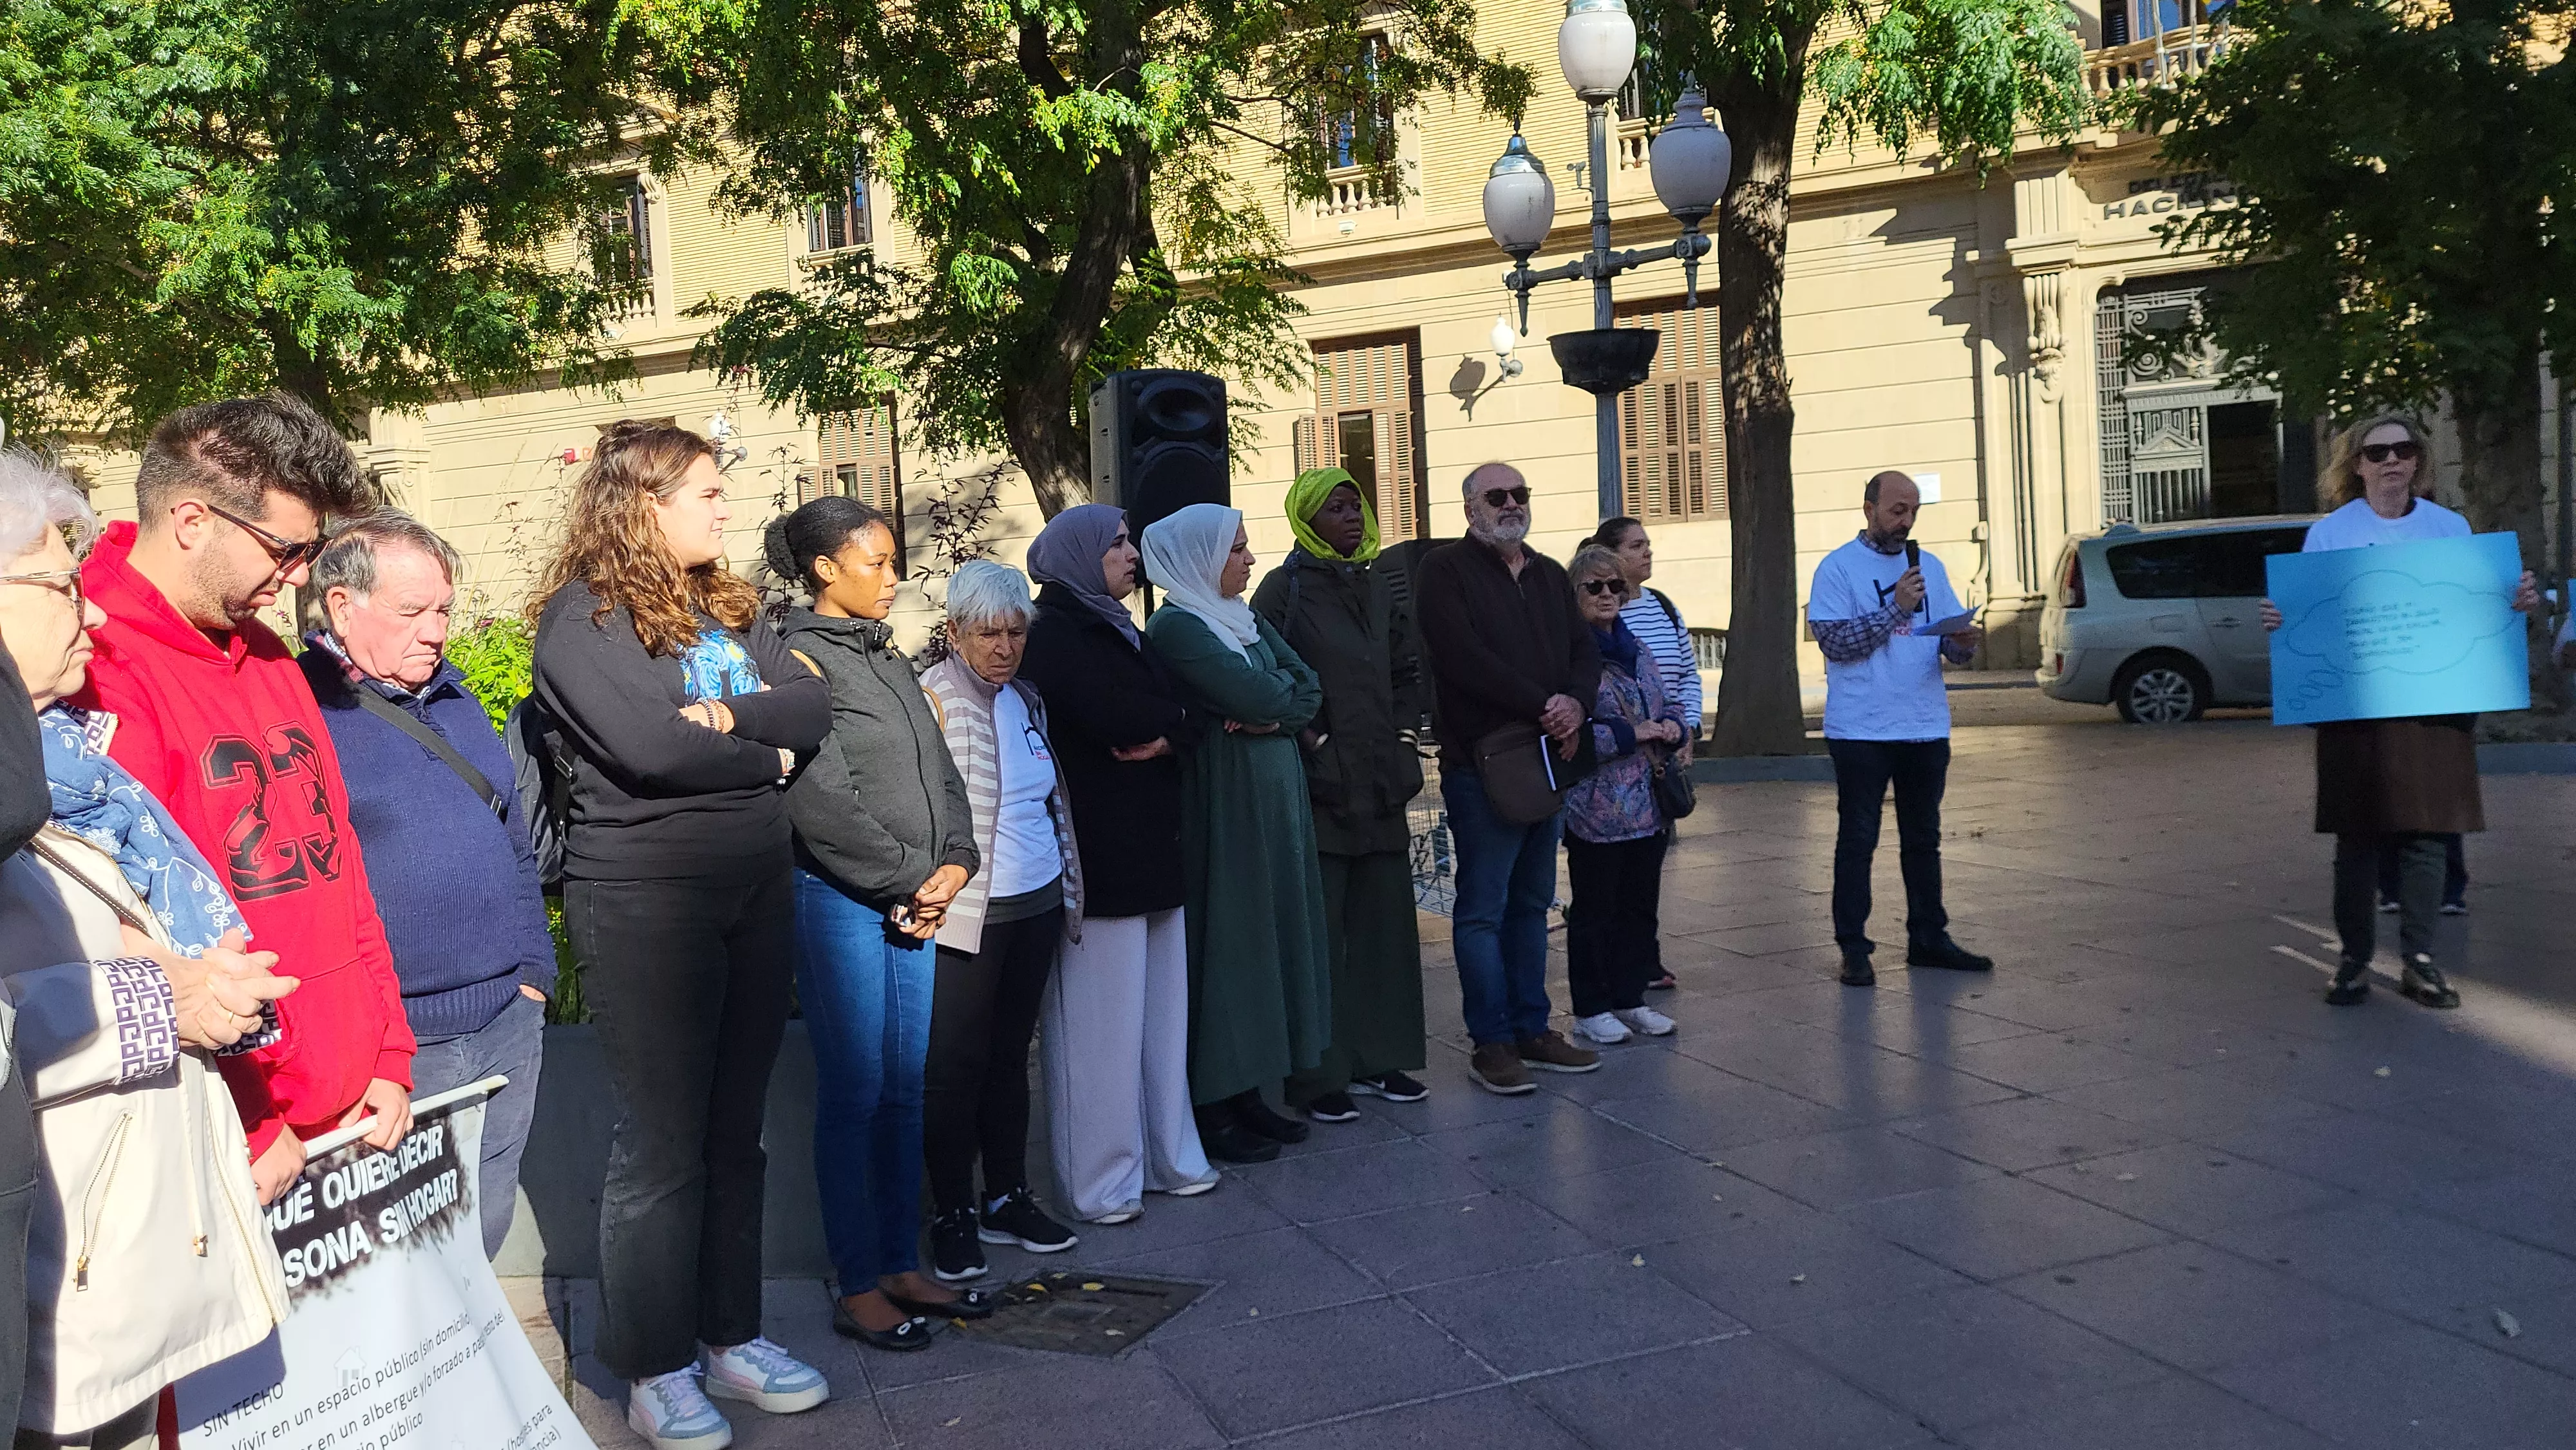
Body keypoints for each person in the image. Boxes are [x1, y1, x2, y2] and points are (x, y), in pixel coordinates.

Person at [530, 421, 833, 1448]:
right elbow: (651, 750)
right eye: (706, 490)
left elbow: (813, 707)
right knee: (660, 1145)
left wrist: (740, 725)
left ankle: (729, 1338)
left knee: (732, 1135)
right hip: (646, 899)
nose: (725, 506)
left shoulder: (724, 607)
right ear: (644, 501)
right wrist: (766, 751)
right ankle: (655, 1366)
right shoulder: (583, 620)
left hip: (753, 882)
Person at [2, 448, 301, 1450]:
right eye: (60, 587)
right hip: (55, 1295)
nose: (88, 616)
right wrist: (161, 1002)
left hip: (113, 1281)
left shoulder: (70, 767)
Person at [71, 394, 417, 1209]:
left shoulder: (264, 650)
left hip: (350, 1109)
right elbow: (136, 929)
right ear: (193, 520)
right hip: (231, 1139)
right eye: (286, 548)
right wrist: (252, 1118)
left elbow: (339, 866)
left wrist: (387, 1051)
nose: (299, 575)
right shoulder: (96, 661)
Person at [298, 512, 554, 1260]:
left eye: (443, 609)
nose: (437, 630)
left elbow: (512, 839)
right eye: (413, 612)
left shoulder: (456, 698)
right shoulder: (302, 710)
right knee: (404, 1251)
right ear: (343, 606)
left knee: (488, 1214)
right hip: (401, 1042)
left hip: (507, 1016)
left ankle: (474, 1363)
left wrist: (535, 972)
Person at [768, 498, 983, 1351]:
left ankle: (900, 1262)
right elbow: (819, 803)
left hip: (915, 897)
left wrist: (955, 860)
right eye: (877, 563)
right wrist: (908, 881)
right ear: (825, 569)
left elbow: (941, 768)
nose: (894, 578)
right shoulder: (796, 661)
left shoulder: (887, 654)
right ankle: (856, 1282)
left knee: (904, 1090)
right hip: (840, 902)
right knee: (856, 1094)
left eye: (895, 563)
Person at [2257, 415, 2543, 1009]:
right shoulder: (2331, 534)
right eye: (2377, 451)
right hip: (2355, 709)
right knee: (2356, 840)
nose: (2392, 460)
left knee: (2427, 837)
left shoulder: (2451, 528)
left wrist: (2514, 603)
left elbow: (2480, 610)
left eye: (2404, 449)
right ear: (2356, 465)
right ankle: (2354, 961)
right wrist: (2282, 622)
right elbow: (2308, 614)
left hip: (2433, 707)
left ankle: (2420, 961)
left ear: (2419, 461)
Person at [1020, 504, 1227, 1208]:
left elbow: (1188, 711)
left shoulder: (1120, 627)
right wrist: (1169, 721)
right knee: (1099, 1032)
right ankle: (1101, 1180)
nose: (1131, 553)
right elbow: (1109, 716)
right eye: (1116, 543)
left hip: (1153, 847)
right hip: (1101, 858)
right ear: (1080, 555)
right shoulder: (1053, 633)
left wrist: (1169, 732)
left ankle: (1167, 1155)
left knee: (1160, 1021)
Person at [1139, 505, 1335, 1147]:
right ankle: (1215, 1101)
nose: (1250, 559)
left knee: (1271, 939)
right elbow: (1268, 696)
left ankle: (1253, 1088)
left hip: (1277, 803)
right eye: (1238, 550)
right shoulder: (1177, 625)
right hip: (1229, 803)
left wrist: (1270, 708)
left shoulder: (1241, 619)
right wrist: (1271, 704)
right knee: (1233, 941)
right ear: (1200, 559)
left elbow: (1307, 686)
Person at [918, 562, 1086, 1281]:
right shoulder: (932, 699)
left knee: (1009, 1054)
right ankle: (952, 1210)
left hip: (1035, 901)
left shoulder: (1027, 698)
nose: (1004, 646)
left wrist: (1068, 886)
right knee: (953, 1064)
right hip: (966, 914)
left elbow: (1050, 799)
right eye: (988, 632)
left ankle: (1008, 1195)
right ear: (955, 631)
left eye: (1016, 632)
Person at [1414, 464, 1602, 1095]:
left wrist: (1575, 701)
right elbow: (1461, 657)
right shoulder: (1444, 572)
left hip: (1547, 760)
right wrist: (1542, 705)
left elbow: (1585, 650)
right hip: (1483, 765)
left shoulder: (1550, 573)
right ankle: (1491, 1041)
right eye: (1497, 496)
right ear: (1470, 507)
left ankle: (1533, 1029)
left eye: (1520, 494)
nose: (1511, 504)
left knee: (1532, 903)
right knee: (1482, 909)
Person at [1250, 468, 1431, 1124]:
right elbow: (1262, 672)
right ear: (1305, 518)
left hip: (1381, 781)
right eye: (1336, 506)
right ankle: (1319, 1073)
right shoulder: (1283, 589)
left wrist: (1407, 742)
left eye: (1356, 504)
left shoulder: (1380, 584)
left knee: (1383, 926)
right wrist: (1315, 743)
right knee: (1320, 932)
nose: (1352, 516)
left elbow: (1407, 669)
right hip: (1319, 787)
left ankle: (1380, 1058)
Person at [1809, 470, 1993, 987]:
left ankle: (1929, 938)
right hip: (1862, 730)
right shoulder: (1838, 568)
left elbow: (1945, 647)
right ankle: (1854, 948)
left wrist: (1963, 642)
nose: (1906, 520)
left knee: (1923, 838)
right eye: (1896, 510)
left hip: (1924, 724)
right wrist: (1897, 608)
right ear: (1869, 508)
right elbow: (1837, 645)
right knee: (1858, 838)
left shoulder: (1928, 565)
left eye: (1913, 510)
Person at [1558, 545, 1685, 1046]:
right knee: (1595, 910)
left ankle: (1631, 998)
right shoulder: (1571, 658)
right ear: (1574, 595)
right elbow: (1572, 733)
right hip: (1597, 806)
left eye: (1616, 586)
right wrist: (1637, 733)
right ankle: (1591, 1008)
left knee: (1639, 907)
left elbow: (1668, 695)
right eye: (1595, 587)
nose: (1608, 595)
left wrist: (1675, 724)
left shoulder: (1637, 646)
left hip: (1649, 804)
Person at [1592, 516, 1699, 991]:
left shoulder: (1664, 607)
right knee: (1613, 877)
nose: (1648, 552)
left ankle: (1644, 961)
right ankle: (1614, 968)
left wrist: (1685, 726)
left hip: (1661, 756)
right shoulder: (1604, 613)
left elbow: (1686, 675)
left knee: (1648, 870)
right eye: (1637, 546)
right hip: (1617, 767)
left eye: (1647, 544)